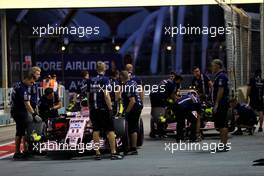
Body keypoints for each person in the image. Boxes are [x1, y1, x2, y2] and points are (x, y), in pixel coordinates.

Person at [89, 61, 123, 160]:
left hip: (93, 109)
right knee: (110, 130)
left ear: (96, 69)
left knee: (96, 130)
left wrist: (90, 107)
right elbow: (106, 95)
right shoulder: (105, 80)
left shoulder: (90, 80)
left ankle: (97, 153)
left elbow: (88, 95)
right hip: (103, 109)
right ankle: (113, 152)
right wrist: (110, 108)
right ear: (104, 69)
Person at [10, 74, 39, 159]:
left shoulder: (17, 85)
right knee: (24, 131)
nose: (32, 84)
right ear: (28, 79)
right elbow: (27, 103)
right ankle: (21, 151)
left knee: (20, 131)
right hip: (20, 111)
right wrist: (34, 114)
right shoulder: (23, 88)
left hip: (15, 110)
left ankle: (19, 151)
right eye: (31, 82)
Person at [149, 72, 183, 138]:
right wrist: (178, 100)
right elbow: (172, 95)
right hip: (159, 99)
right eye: (180, 81)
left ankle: (154, 132)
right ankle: (161, 133)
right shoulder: (173, 84)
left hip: (153, 96)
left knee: (156, 114)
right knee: (161, 117)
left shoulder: (165, 81)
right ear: (178, 79)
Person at [119, 71, 143, 155]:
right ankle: (133, 147)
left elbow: (132, 101)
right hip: (138, 106)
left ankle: (133, 148)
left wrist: (126, 112)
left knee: (132, 128)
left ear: (122, 77)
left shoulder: (127, 86)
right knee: (134, 127)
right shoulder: (133, 82)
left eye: (120, 76)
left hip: (134, 107)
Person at [211, 59, 229, 152]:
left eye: (213, 65)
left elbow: (220, 90)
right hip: (221, 103)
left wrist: (217, 103)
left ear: (218, 66)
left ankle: (224, 145)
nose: (212, 67)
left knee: (222, 125)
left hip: (221, 103)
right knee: (222, 124)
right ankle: (223, 144)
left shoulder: (221, 76)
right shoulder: (219, 76)